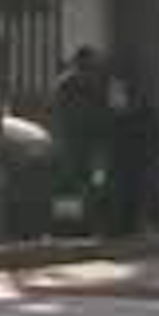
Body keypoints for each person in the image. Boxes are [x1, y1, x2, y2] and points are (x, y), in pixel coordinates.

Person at [52, 47, 113, 230]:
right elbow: (66, 114)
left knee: (84, 184)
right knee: (76, 184)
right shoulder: (71, 84)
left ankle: (77, 223)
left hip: (82, 143)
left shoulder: (91, 83)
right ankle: (72, 224)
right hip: (76, 142)